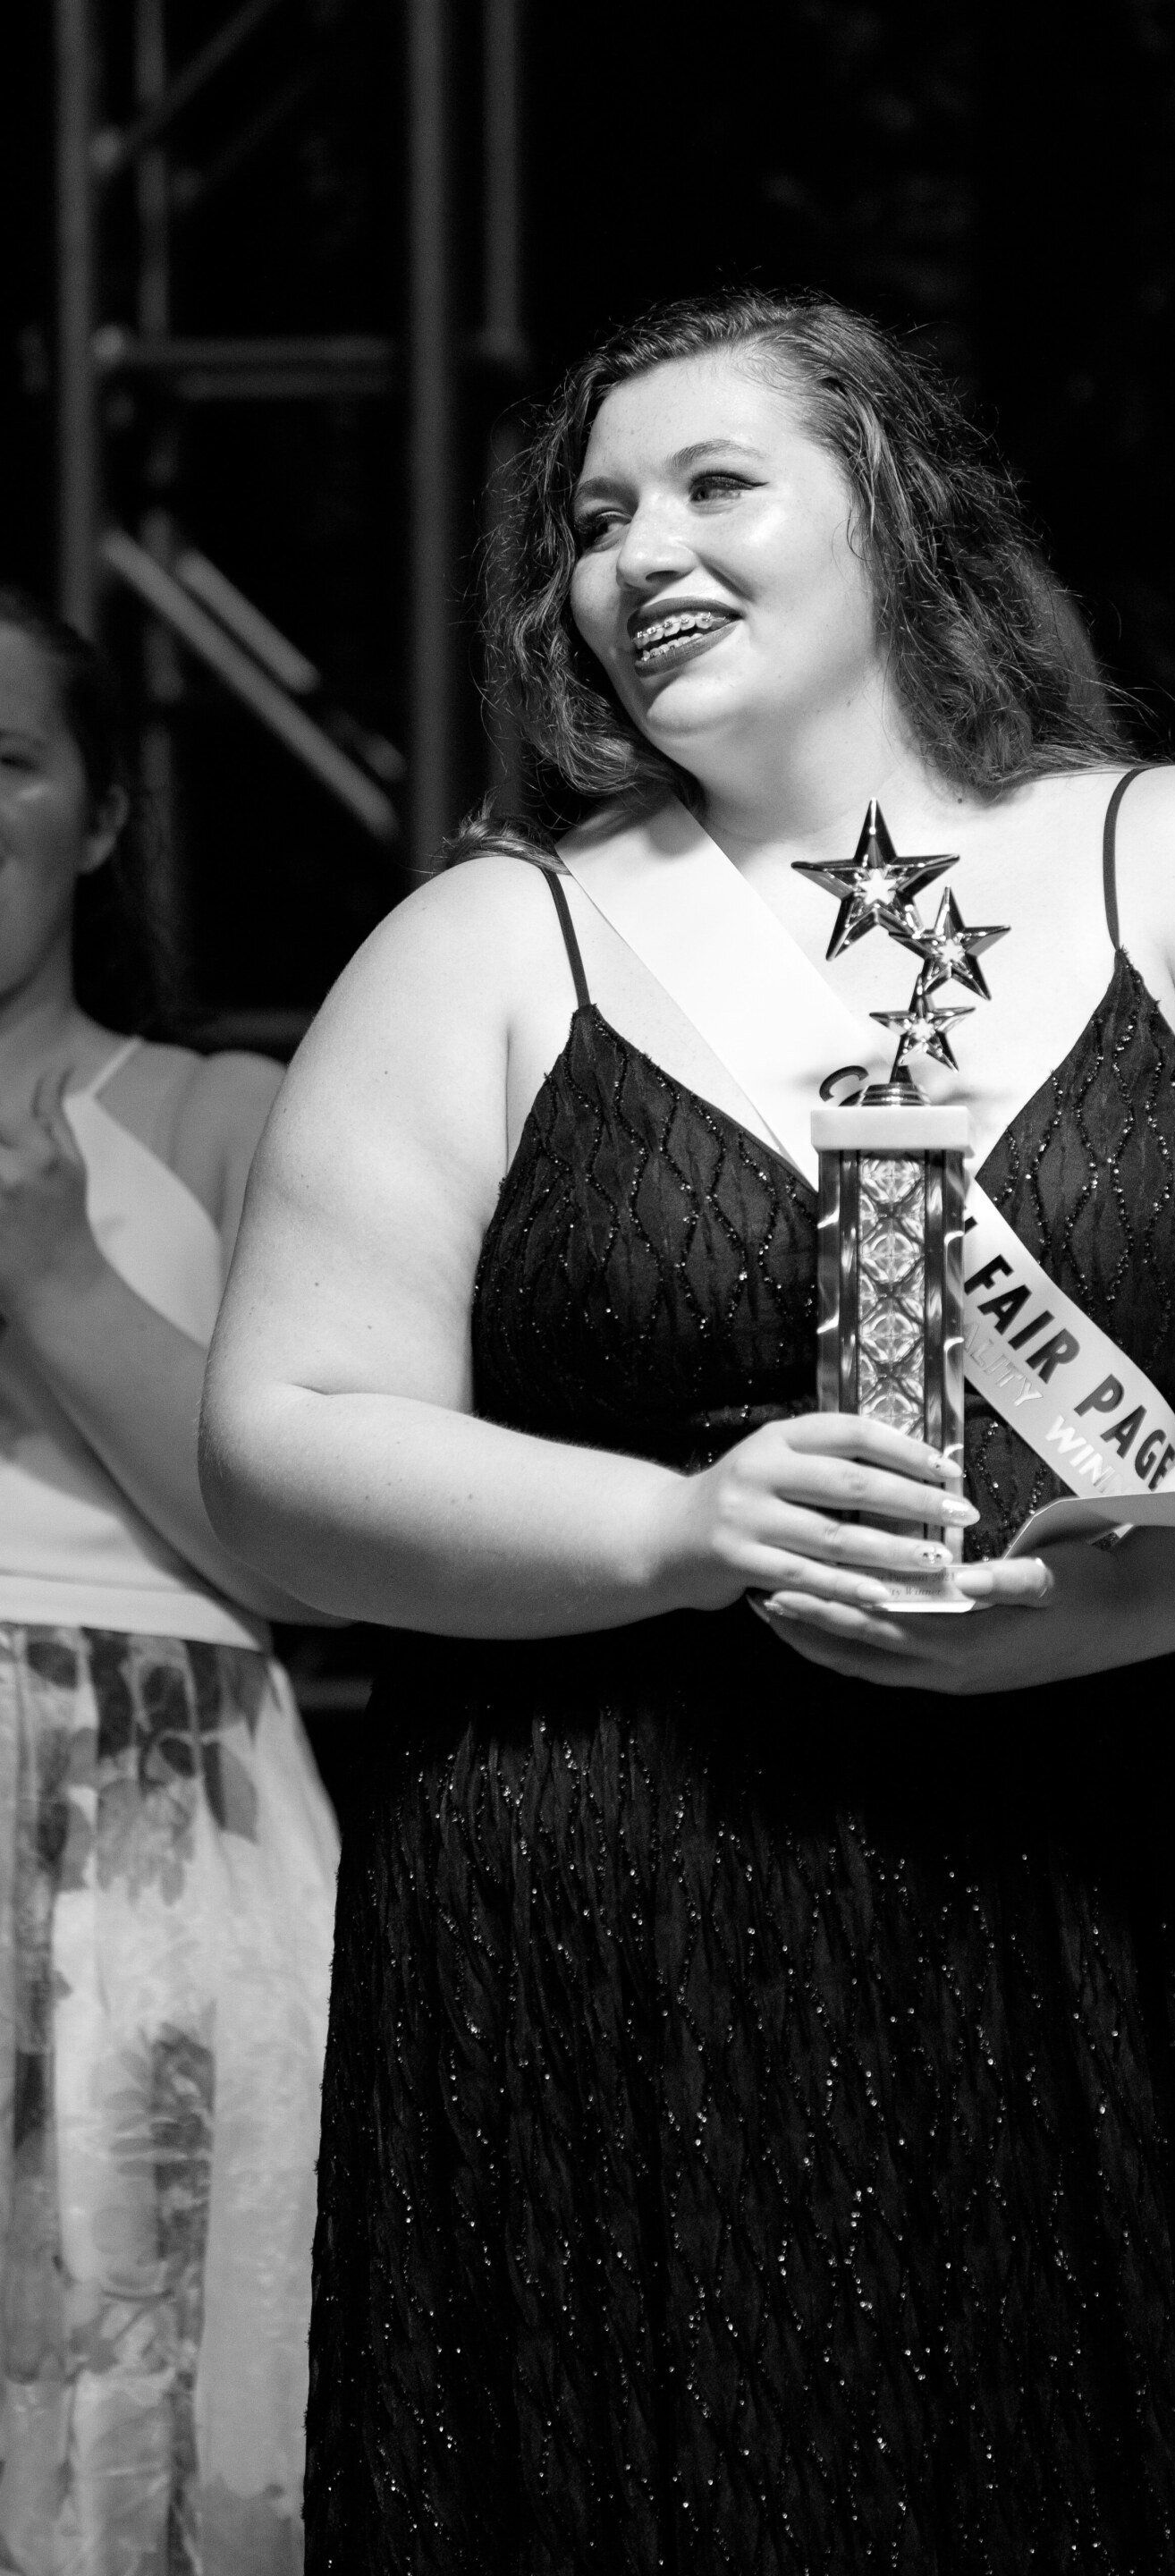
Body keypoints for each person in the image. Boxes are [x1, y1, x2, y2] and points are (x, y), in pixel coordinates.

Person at [201, 291, 1175, 2571]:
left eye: (719, 484)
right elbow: (286, 1449)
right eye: (595, 522)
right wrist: (678, 1525)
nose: (639, 553)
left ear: (902, 515)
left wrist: (1139, 1600)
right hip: (642, 1968)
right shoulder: (484, 945)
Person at [0, 589, 337, 2572]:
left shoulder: (229, 1119)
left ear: (98, 816)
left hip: (166, 1828)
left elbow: (303, 1550)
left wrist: (47, 1270)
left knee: (153, 2470)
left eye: (4, 762)